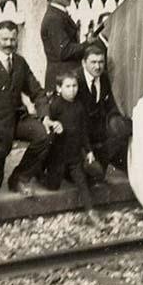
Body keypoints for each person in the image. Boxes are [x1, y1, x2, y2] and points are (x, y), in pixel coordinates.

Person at [0, 20, 55, 195]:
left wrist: (45, 116)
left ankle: (19, 178)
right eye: (4, 39)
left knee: (45, 134)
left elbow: (37, 91)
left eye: (13, 40)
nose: (9, 44)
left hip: (17, 120)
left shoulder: (20, 62)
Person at [42, 70, 105, 225]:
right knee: (52, 186)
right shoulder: (55, 105)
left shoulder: (79, 106)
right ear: (59, 88)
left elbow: (84, 131)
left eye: (75, 86)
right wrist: (55, 126)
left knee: (82, 183)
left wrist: (89, 151)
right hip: (57, 156)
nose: (72, 90)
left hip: (74, 156)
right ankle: (40, 173)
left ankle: (91, 212)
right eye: (68, 86)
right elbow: (46, 128)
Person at [76, 42, 131, 172]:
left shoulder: (105, 78)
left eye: (101, 62)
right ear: (84, 63)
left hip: (99, 131)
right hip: (80, 135)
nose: (97, 66)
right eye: (93, 62)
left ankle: (103, 161)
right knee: (93, 173)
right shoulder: (75, 81)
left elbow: (111, 104)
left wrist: (114, 121)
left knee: (121, 128)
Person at [41, 0, 90, 91]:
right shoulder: (54, 18)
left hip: (66, 77)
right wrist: (87, 44)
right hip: (62, 79)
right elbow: (64, 51)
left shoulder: (59, 14)